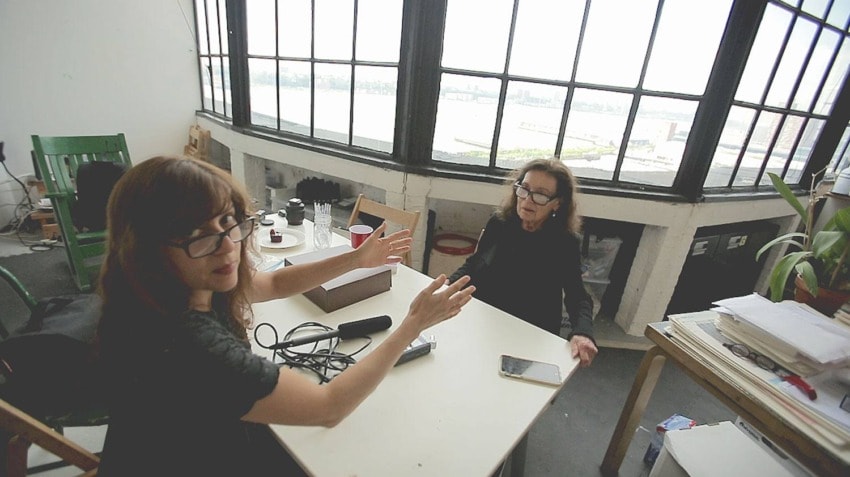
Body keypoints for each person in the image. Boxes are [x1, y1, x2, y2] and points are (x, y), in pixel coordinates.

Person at [95, 156, 475, 476]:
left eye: (228, 222)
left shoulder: (158, 293)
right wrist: (412, 325)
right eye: (198, 233)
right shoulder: (188, 344)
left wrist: (356, 258)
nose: (227, 247)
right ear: (148, 249)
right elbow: (329, 407)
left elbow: (274, 284)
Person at [449, 158, 598, 367]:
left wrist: (583, 332)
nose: (528, 200)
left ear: (557, 202)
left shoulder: (565, 241)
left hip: (532, 330)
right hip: (485, 317)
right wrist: (447, 289)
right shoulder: (500, 222)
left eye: (540, 194)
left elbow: (577, 295)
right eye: (524, 189)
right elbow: (475, 264)